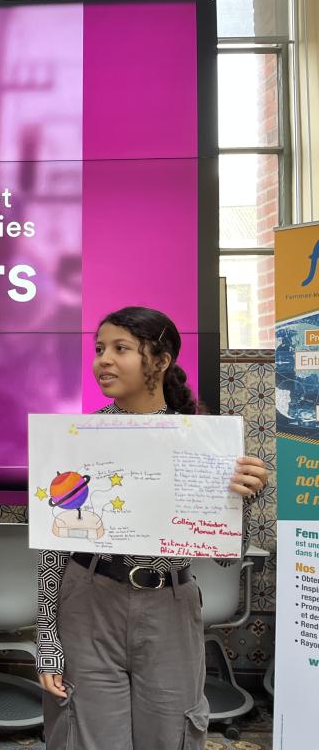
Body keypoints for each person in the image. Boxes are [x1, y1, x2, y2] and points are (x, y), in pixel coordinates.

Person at [37, 306, 270, 750]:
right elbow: (52, 549)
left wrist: (245, 501)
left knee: (172, 735)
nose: (103, 359)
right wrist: (48, 639)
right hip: (89, 599)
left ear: (160, 361)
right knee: (86, 734)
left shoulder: (204, 438)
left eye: (120, 349)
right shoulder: (78, 436)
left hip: (171, 606)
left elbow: (224, 553)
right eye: (99, 349)